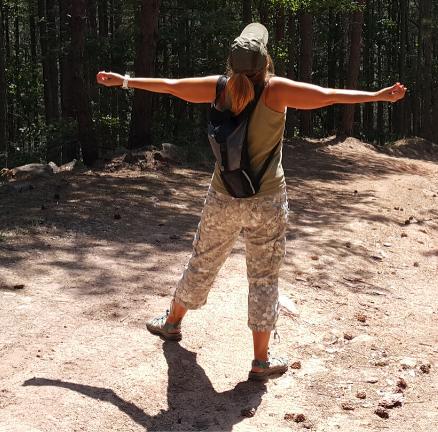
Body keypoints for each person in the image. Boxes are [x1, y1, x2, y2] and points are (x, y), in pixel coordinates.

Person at [96, 23, 406, 380]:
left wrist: (123, 81)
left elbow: (168, 86)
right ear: (266, 61)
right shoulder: (276, 90)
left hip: (223, 195)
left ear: (232, 62)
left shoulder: (218, 87)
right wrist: (380, 95)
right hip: (268, 200)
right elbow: (329, 94)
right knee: (263, 277)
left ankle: (171, 323)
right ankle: (261, 361)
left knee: (203, 261)